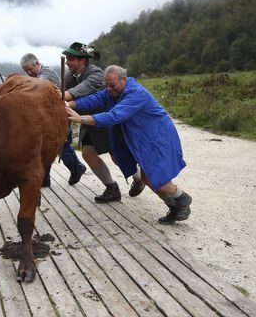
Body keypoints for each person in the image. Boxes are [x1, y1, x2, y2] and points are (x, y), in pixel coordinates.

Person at [65, 65, 192, 225]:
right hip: (139, 137)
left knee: (152, 175)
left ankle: (181, 199)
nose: (109, 89)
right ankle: (175, 205)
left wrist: (81, 119)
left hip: (156, 137)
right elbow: (95, 98)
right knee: (144, 175)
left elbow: (114, 115)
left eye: (112, 85)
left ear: (124, 80)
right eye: (107, 85)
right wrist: (69, 105)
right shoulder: (113, 90)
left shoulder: (136, 94)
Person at [62, 42, 144, 201]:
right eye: (66, 58)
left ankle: (139, 178)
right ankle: (112, 188)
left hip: (103, 120)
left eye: (70, 58)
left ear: (82, 60)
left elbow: (75, 93)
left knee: (117, 155)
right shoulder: (69, 76)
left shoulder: (96, 74)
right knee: (87, 154)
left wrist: (59, 97)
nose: (67, 62)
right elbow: (61, 91)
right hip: (84, 123)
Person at [20, 53, 85, 187]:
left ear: (37, 64)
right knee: (48, 146)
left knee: (62, 146)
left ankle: (77, 168)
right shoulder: (38, 74)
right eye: (25, 71)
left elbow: (37, 86)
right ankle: (46, 178)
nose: (28, 73)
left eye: (30, 69)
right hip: (51, 116)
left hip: (61, 115)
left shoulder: (46, 73)